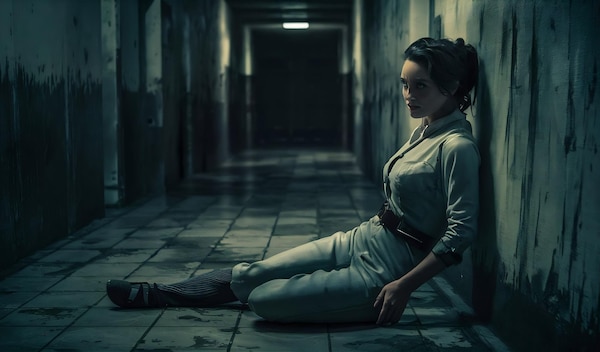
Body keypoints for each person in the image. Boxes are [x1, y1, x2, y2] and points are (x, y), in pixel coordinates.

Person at [106, 37, 480, 326]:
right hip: (363, 237)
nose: (408, 96)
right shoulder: (424, 130)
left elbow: (460, 234)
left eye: (420, 87)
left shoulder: (457, 147)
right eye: (404, 84)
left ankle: (341, 300)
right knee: (255, 273)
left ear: (449, 88)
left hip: (386, 270)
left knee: (264, 299)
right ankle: (157, 294)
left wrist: (403, 287)